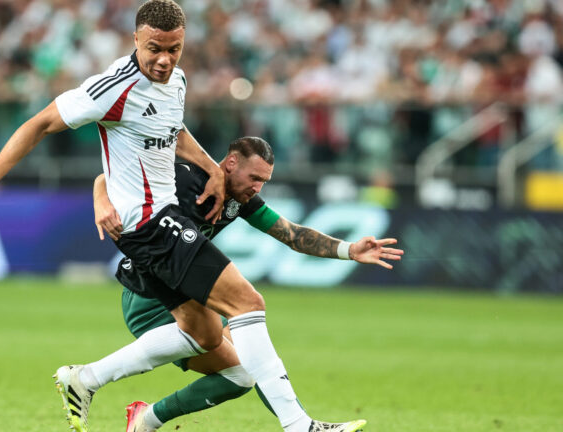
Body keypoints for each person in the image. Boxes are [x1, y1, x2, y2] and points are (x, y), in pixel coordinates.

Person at [0, 2, 357, 431]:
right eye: (154, 49)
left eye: (174, 49)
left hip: (159, 225)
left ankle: (86, 380)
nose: (164, 60)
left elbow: (173, 131)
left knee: (204, 333)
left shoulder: (177, 81)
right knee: (247, 303)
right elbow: (38, 124)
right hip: (148, 224)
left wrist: (215, 170)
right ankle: (300, 426)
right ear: (135, 41)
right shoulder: (110, 88)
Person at [87, 136, 402, 432]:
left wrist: (349, 249)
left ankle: (145, 417)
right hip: (150, 299)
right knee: (245, 342)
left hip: (186, 293)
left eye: (264, 181)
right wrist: (101, 199)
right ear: (231, 163)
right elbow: (112, 175)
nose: (257, 187)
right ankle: (109, 391)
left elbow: (291, 235)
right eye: (254, 178)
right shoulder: (186, 175)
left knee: (244, 372)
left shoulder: (238, 199)